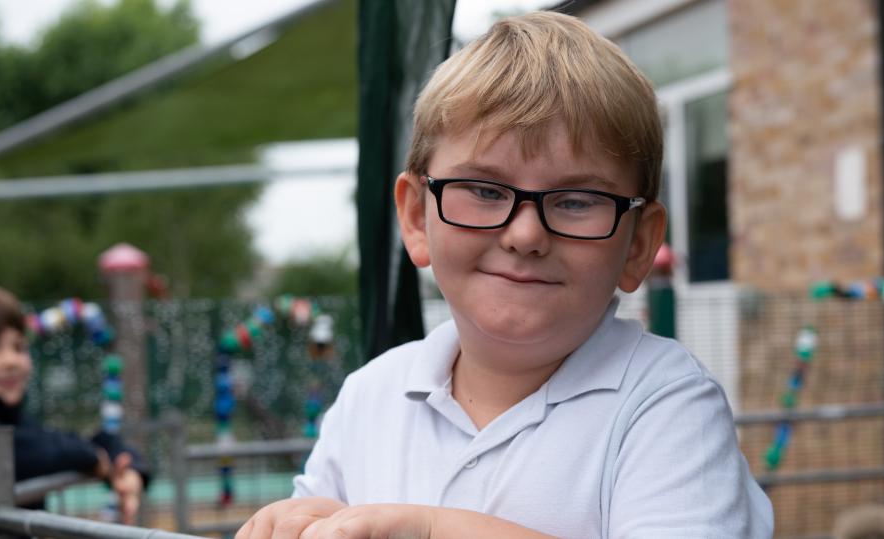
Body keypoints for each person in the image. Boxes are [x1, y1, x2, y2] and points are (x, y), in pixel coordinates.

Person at [237, 11, 772, 539]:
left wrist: (430, 530)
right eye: (486, 191)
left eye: (576, 200)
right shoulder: (370, 397)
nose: (525, 235)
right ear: (417, 217)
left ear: (637, 245)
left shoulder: (667, 404)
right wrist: (291, 523)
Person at [0, 280, 149, 539]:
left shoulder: (8, 418)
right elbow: (31, 451)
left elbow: (66, 442)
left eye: (19, 347)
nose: (11, 361)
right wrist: (94, 458)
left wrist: (126, 466)